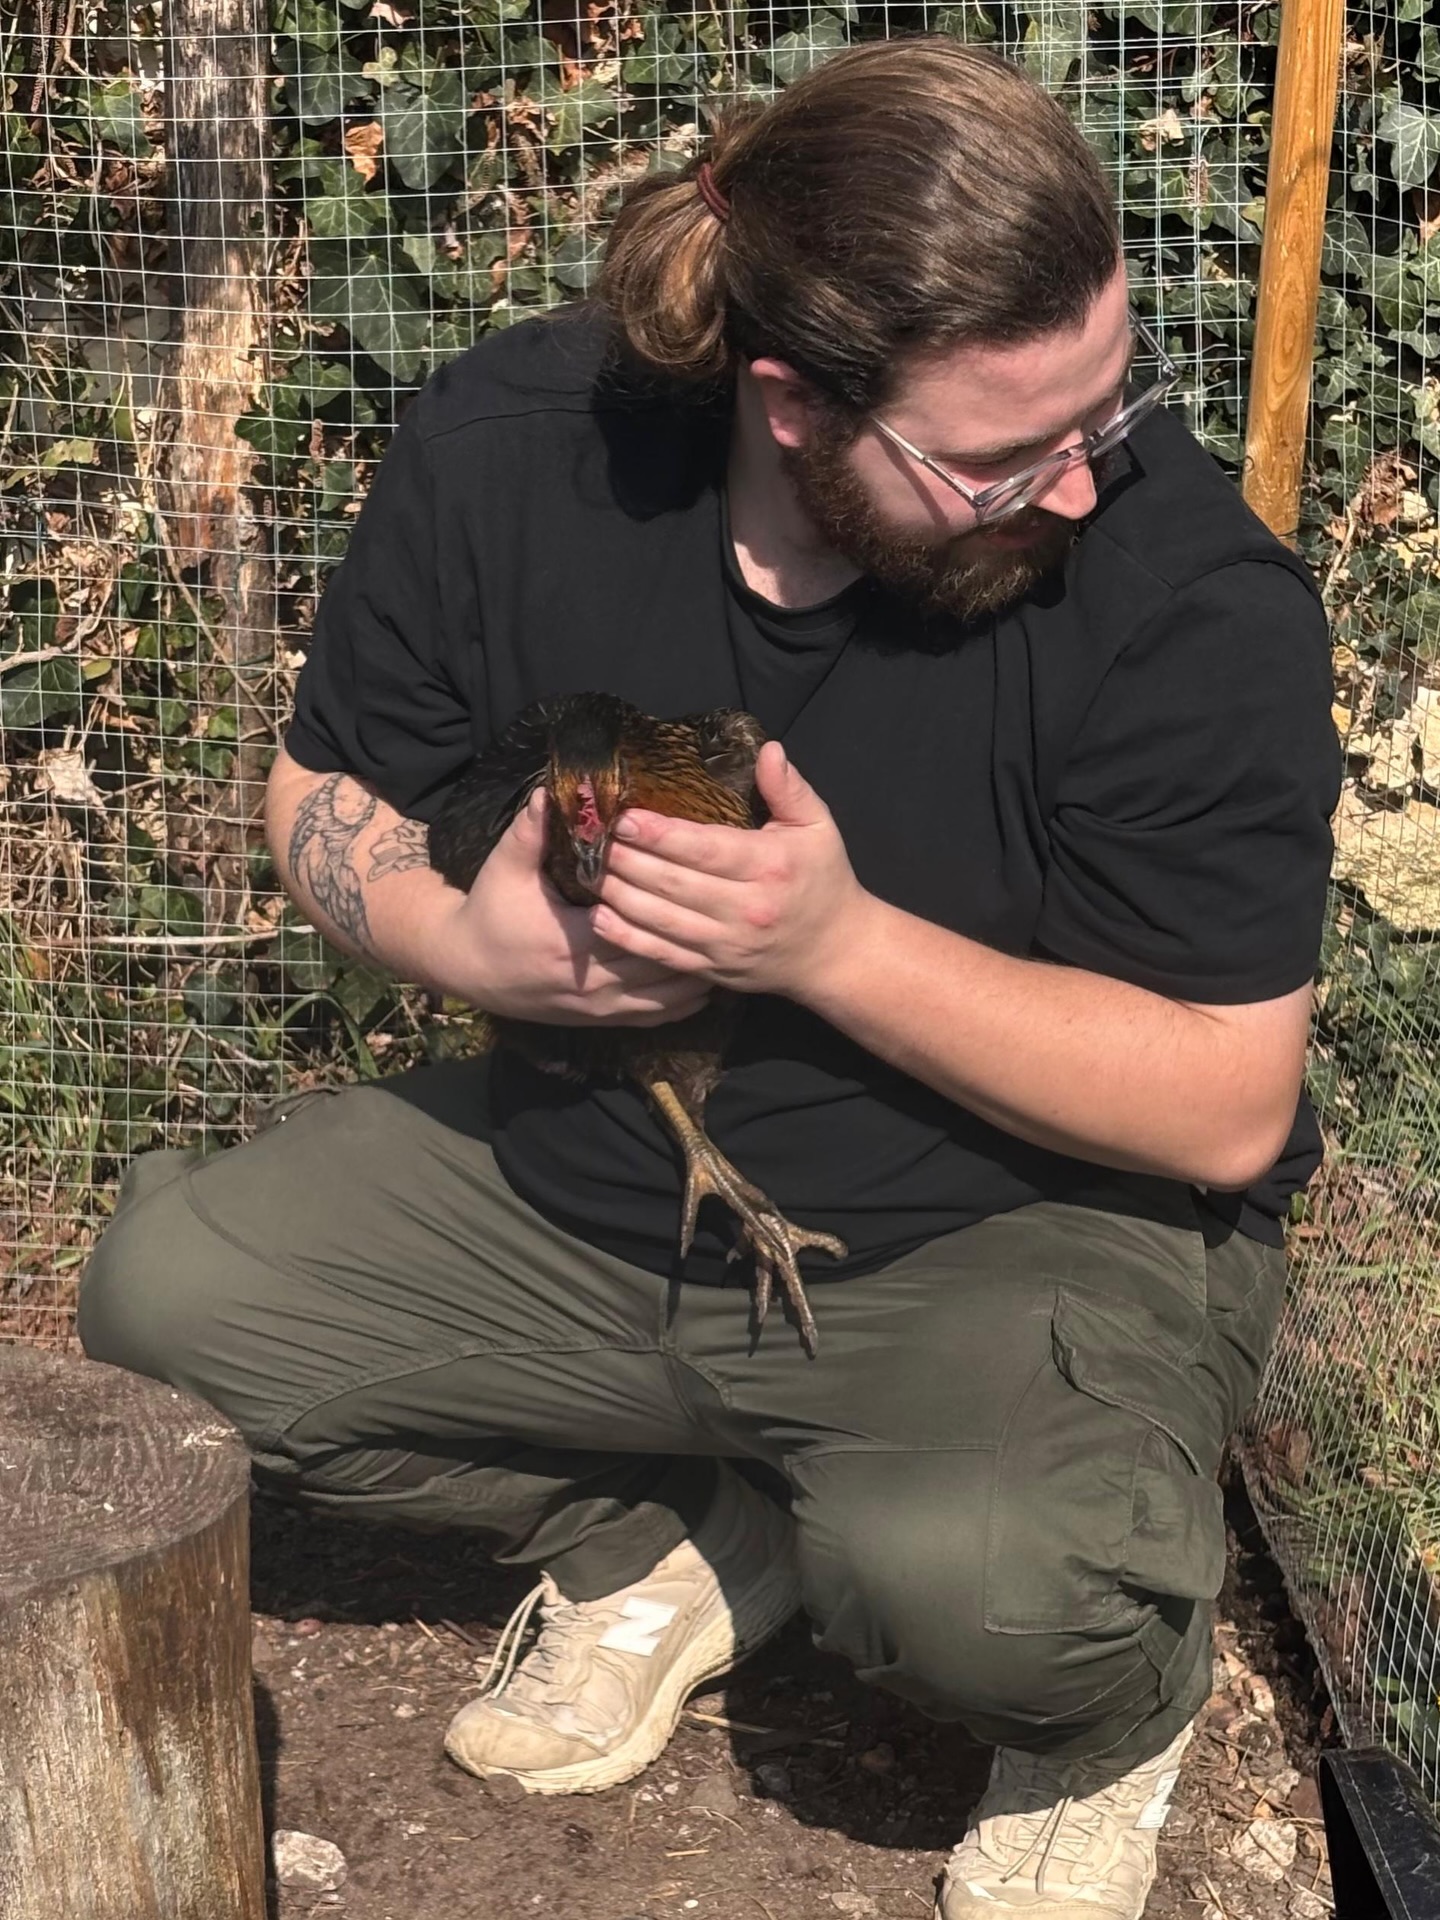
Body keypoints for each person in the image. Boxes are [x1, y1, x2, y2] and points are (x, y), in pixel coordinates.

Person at [78, 35, 1341, 1918]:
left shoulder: (1179, 597)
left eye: (1108, 403)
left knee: (1001, 1594)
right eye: (1000, 454)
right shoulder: (520, 451)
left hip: (1017, 1225)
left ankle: (1107, 1708)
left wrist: (829, 944)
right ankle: (677, 1534)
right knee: (167, 1317)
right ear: (791, 400)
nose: (1080, 486)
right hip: (587, 1177)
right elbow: (323, 785)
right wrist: (453, 933)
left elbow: (1228, 1105)